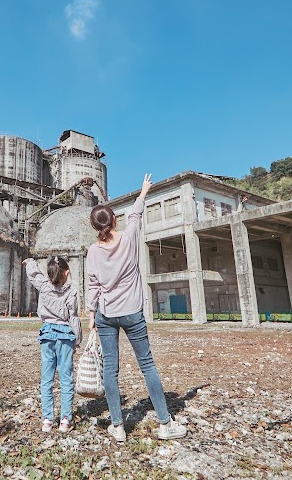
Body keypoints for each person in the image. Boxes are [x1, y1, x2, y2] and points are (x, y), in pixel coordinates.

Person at [86, 173, 187, 442]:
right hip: (132, 311)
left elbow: (92, 285)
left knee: (110, 369)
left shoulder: (93, 252)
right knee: (147, 366)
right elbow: (136, 215)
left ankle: (118, 426)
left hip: (105, 314)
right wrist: (143, 192)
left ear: (95, 227)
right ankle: (165, 424)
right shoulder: (129, 238)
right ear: (114, 220)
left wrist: (91, 315)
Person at [24, 255, 79, 433]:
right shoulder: (71, 293)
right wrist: (77, 340)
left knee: (46, 379)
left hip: (47, 334)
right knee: (66, 379)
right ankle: (65, 419)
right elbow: (74, 318)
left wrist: (30, 262)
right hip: (65, 336)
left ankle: (47, 420)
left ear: (49, 275)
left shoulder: (44, 287)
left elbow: (34, 275)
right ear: (67, 273)